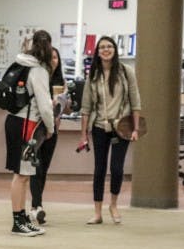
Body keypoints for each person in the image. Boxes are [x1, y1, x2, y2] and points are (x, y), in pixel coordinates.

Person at [79, 35, 142, 225]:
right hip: (99, 127)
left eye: (109, 47)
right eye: (102, 47)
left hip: (121, 126)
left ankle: (113, 204)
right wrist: (83, 135)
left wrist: (136, 129)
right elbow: (86, 107)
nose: (106, 50)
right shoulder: (94, 75)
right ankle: (97, 212)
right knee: (99, 169)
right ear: (97, 52)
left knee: (116, 168)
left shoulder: (126, 72)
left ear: (115, 50)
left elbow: (135, 101)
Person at [4, 29, 56, 236]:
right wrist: (50, 128)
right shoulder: (39, 71)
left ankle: (23, 217)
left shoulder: (21, 64)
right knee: (22, 175)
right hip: (27, 125)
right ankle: (18, 221)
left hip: (14, 121)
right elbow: (45, 106)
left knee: (23, 174)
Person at [29, 46, 70, 226]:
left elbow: (66, 108)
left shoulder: (62, 82)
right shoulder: (38, 77)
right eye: (50, 57)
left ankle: (37, 205)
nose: (53, 60)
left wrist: (66, 103)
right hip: (37, 129)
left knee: (43, 169)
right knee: (35, 168)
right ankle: (36, 205)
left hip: (53, 131)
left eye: (55, 58)